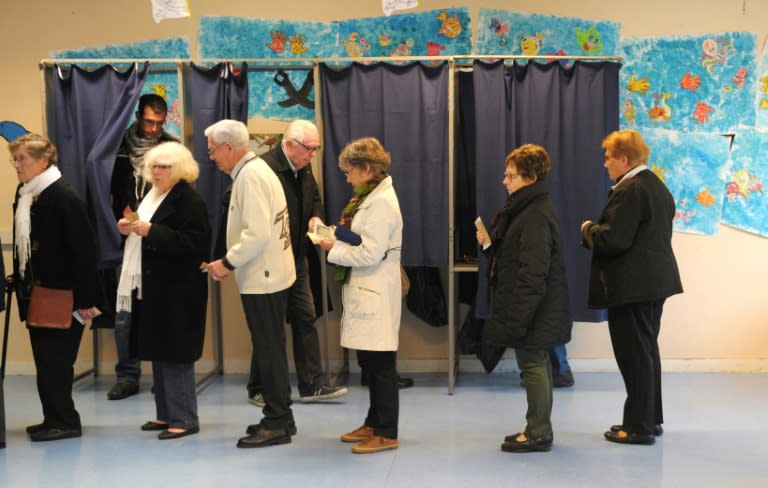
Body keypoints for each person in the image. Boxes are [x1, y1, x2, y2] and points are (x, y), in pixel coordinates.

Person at [580, 129, 682, 445]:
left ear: (624, 159)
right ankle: (650, 419)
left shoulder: (630, 190)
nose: (605, 164)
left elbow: (613, 239)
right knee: (647, 353)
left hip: (633, 286)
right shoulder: (656, 186)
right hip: (653, 283)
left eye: (608, 157)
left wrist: (587, 230)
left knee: (634, 356)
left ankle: (638, 428)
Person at [205, 119, 297, 448]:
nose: (211, 156)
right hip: (269, 272)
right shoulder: (253, 171)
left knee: (269, 351)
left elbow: (257, 233)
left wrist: (227, 262)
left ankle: (276, 422)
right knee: (271, 348)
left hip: (265, 276)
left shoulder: (251, 176)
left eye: (213, 150)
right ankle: (282, 415)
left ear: (230, 147)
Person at [477, 144, 572, 453]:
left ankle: (539, 432)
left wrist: (519, 316)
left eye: (511, 176)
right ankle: (537, 426)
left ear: (530, 177)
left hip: (535, 305)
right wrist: (491, 247)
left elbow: (533, 272)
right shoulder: (528, 207)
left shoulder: (535, 214)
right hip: (535, 304)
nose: (505, 181)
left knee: (533, 364)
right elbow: (515, 257)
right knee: (537, 364)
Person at [246, 119, 347, 407]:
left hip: (298, 260)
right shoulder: (262, 169)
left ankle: (311, 385)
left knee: (305, 319)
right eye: (309, 149)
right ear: (289, 144)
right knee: (271, 327)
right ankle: (258, 387)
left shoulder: (303, 167)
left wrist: (315, 217)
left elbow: (313, 198)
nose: (313, 156)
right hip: (269, 261)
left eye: (316, 150)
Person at [9, 133, 102, 441]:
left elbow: (85, 252)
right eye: (15, 158)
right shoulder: (26, 195)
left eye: (22, 158)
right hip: (38, 295)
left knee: (57, 364)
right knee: (46, 362)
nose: (16, 165)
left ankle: (65, 422)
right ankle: (52, 418)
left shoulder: (63, 197)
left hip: (64, 296)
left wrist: (87, 299)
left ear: (43, 161)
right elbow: (29, 249)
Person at [116, 142, 211, 440]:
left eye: (165, 167)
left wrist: (150, 231)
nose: (157, 171)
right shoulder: (152, 196)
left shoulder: (190, 201)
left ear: (179, 170)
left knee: (176, 355)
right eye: (154, 166)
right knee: (158, 351)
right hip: (154, 288)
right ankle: (165, 414)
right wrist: (128, 228)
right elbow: (143, 229)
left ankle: (184, 418)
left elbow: (195, 245)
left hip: (178, 291)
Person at [319, 137, 403, 454]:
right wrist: (336, 233)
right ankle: (373, 421)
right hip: (365, 288)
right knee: (369, 359)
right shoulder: (368, 198)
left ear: (367, 169)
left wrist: (332, 249)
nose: (347, 178)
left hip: (376, 289)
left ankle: (386, 431)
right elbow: (362, 237)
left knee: (381, 364)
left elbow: (370, 253)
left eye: (350, 172)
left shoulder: (382, 202)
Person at [107, 93, 178, 401]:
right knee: (124, 314)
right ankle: (127, 375)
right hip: (126, 239)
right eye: (149, 122)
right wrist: (120, 212)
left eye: (159, 124)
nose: (153, 130)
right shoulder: (117, 147)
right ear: (138, 116)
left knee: (162, 310)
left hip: (159, 238)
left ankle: (164, 376)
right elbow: (105, 188)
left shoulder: (171, 148)